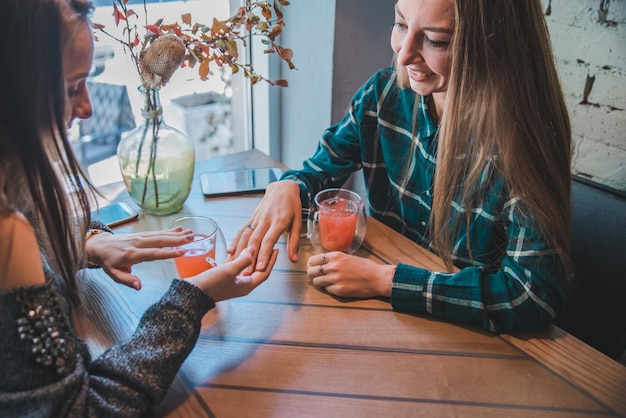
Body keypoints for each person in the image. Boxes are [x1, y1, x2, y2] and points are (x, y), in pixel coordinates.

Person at [0, 0, 277, 415]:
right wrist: (190, 299)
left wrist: (87, 243)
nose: (87, 107)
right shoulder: (7, 233)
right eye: (73, 86)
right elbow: (81, 409)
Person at [229, 0, 573, 334]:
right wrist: (289, 186)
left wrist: (386, 280)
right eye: (401, 24)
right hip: (386, 319)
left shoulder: (524, 139)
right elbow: (320, 171)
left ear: (493, 43)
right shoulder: (384, 93)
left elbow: (532, 296)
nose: (403, 54)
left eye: (437, 40)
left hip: (468, 337)